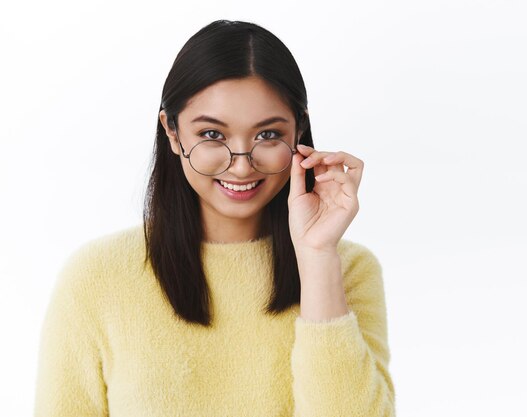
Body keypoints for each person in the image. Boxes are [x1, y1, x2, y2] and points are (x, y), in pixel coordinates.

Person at [33, 19, 395, 416]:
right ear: (172, 132)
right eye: (212, 135)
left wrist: (317, 256)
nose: (241, 166)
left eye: (268, 135)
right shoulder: (95, 278)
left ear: (299, 130)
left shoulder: (348, 270)